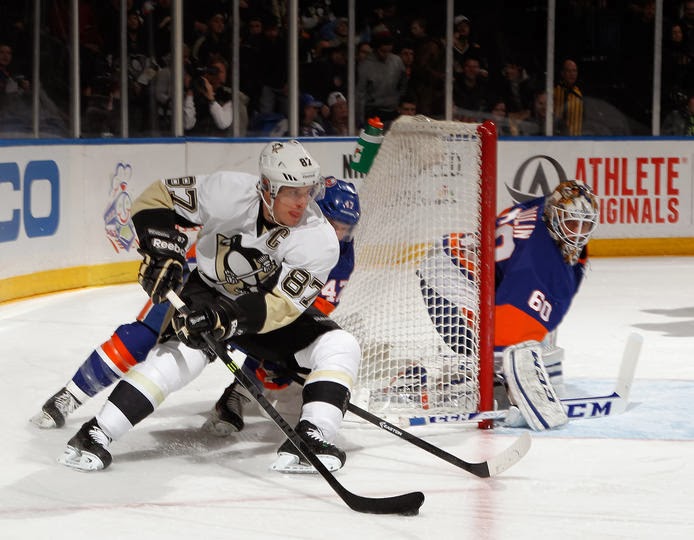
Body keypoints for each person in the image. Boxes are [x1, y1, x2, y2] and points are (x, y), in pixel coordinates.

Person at [57, 141, 361, 475]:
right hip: (208, 291)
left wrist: (228, 318)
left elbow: (281, 306)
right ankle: (96, 433)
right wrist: (161, 251)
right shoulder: (227, 191)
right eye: (291, 192)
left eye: (307, 192)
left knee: (340, 344)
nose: (302, 202)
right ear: (266, 187)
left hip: (262, 311)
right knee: (180, 357)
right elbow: (157, 197)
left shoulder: (319, 238)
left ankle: (312, 438)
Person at [417, 180, 599, 430]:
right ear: (556, 217)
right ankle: (436, 385)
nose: (577, 232)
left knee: (537, 314)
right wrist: (518, 388)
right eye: (571, 223)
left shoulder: (545, 212)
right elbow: (509, 327)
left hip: (467, 262)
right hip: (449, 275)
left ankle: (503, 376)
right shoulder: (538, 258)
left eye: (585, 224)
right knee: (486, 352)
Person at [203, 177, 361, 436]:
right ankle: (239, 391)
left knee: (318, 345)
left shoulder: (342, 255)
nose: (340, 235)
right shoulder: (283, 232)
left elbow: (315, 308)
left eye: (347, 229)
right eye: (334, 226)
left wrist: (286, 353)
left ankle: (254, 388)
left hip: (282, 312)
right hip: (235, 303)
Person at [554, 58, 583, 136]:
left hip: (577, 138)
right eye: (568, 71)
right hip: (558, 137)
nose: (572, 74)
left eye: (574, 71)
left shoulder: (579, 93)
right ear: (562, 73)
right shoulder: (554, 92)